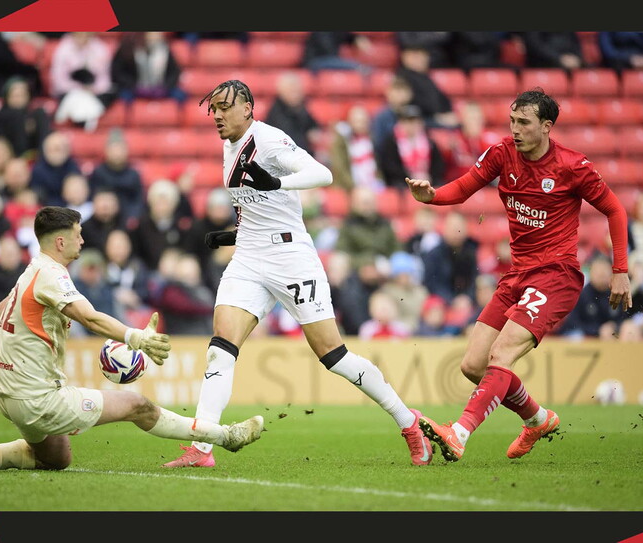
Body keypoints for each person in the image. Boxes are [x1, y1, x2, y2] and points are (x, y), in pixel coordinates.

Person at [162, 79, 437, 469]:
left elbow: (322, 174)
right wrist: (232, 234)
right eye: (214, 109)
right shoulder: (226, 146)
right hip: (250, 256)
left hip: (291, 255)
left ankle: (409, 422)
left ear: (248, 109)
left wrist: (277, 181)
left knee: (334, 355)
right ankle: (202, 447)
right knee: (220, 346)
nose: (218, 115)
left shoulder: (270, 140)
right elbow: (259, 204)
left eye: (225, 107)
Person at [0, 206, 264, 473]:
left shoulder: (32, 270)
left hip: (9, 396)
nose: (83, 239)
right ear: (61, 241)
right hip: (38, 398)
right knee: (138, 405)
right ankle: (226, 437)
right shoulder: (52, 276)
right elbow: (88, 316)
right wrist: (135, 337)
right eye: (77, 233)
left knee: (56, 459)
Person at [404, 87, 632, 462]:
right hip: (518, 274)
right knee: (472, 365)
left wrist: (620, 269)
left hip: (556, 275)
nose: (515, 129)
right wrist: (433, 197)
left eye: (523, 122)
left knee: (501, 353)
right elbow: (463, 188)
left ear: (546, 126)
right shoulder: (501, 153)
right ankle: (538, 419)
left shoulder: (573, 166)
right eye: (512, 121)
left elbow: (616, 210)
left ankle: (459, 433)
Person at [375, 104, 447, 188]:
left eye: (414, 121)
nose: (411, 125)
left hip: (427, 181)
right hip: (402, 183)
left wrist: (428, 177)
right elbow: (390, 167)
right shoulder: (392, 142)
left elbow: (438, 165)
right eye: (407, 121)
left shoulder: (429, 142)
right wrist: (410, 177)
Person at [264, 71, 321, 155]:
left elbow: (313, 127)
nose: (295, 94)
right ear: (281, 92)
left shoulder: (301, 108)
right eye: (291, 90)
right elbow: (292, 142)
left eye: (297, 90)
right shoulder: (276, 113)